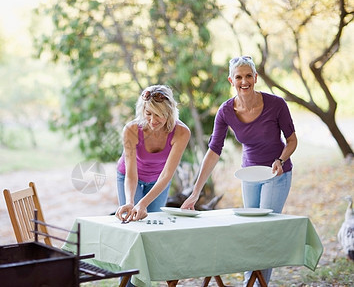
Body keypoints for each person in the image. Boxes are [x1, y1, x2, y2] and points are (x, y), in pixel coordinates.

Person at [181, 56, 298, 286]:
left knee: (264, 230)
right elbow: (213, 151)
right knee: (249, 231)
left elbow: (292, 140)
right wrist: (195, 192)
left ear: (255, 77)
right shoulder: (225, 111)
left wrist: (281, 160)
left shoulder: (276, 104)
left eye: (248, 76)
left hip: (277, 173)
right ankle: (249, 282)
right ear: (231, 80)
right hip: (250, 174)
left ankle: (256, 284)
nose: (244, 81)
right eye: (238, 77)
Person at [115, 85, 190, 223]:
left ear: (169, 113)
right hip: (130, 176)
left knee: (154, 221)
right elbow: (131, 174)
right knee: (133, 219)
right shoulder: (131, 130)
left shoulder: (181, 132)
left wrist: (143, 204)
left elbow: (167, 174)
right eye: (148, 113)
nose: (153, 121)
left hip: (159, 178)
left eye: (159, 115)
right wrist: (130, 202)